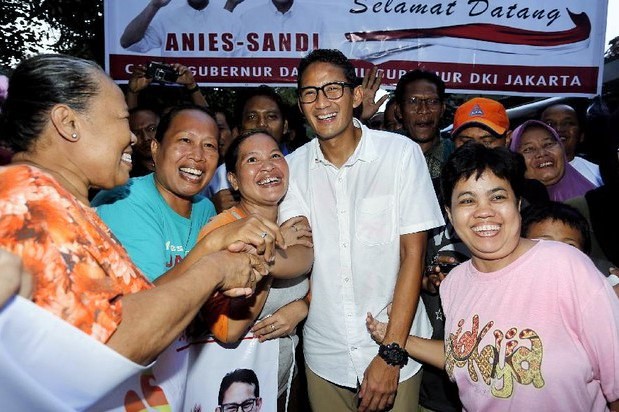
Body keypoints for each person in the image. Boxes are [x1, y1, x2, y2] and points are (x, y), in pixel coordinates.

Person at [0, 53, 267, 367]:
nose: (131, 137)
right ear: (68, 123)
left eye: (209, 145)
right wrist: (215, 268)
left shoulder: (58, 202)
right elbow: (109, 345)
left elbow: (123, 309)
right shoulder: (30, 204)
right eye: (121, 119)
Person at [367, 143, 619, 410]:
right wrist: (395, 337)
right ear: (450, 215)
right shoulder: (453, 284)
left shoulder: (566, 266)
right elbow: (468, 358)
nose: (483, 211)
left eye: (497, 197)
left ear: (518, 204)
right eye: (467, 200)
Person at [278, 49, 444, 412]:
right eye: (309, 93)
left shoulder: (400, 154)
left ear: (356, 96)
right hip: (325, 354)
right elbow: (301, 254)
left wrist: (391, 353)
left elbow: (412, 255)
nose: (321, 102)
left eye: (333, 89)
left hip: (393, 344)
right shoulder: (292, 169)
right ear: (301, 104)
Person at [196, 129, 313, 409]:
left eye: (275, 155)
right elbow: (229, 331)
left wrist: (303, 307)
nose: (268, 166)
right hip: (232, 392)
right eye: (252, 160)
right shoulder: (221, 231)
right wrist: (270, 249)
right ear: (233, 181)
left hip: (283, 383)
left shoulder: (294, 218)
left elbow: (305, 261)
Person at [92, 105, 220, 281]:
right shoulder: (125, 199)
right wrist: (212, 245)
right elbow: (145, 300)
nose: (198, 155)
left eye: (209, 145)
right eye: (185, 140)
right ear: (155, 148)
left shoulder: (205, 209)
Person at [205, 85, 290, 213]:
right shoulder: (220, 176)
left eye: (271, 116)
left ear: (284, 126)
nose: (262, 124)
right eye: (252, 117)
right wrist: (211, 207)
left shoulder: (302, 165)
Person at [509, 119, 596, 202]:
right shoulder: (515, 210)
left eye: (548, 144)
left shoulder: (593, 199)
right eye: (528, 149)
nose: (542, 153)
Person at [120, 0, 238, 56]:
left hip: (215, 89)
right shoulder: (167, 17)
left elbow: (239, 60)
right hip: (174, 91)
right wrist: (154, 5)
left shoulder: (227, 17)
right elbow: (127, 42)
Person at [394, 69, 454, 178]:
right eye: (413, 101)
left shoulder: (456, 156)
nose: (424, 110)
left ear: (442, 109)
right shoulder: (386, 151)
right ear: (399, 111)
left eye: (432, 102)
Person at [540, 103, 603, 186]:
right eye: (550, 124)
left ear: (581, 136)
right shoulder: (529, 174)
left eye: (568, 123)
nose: (558, 129)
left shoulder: (598, 173)